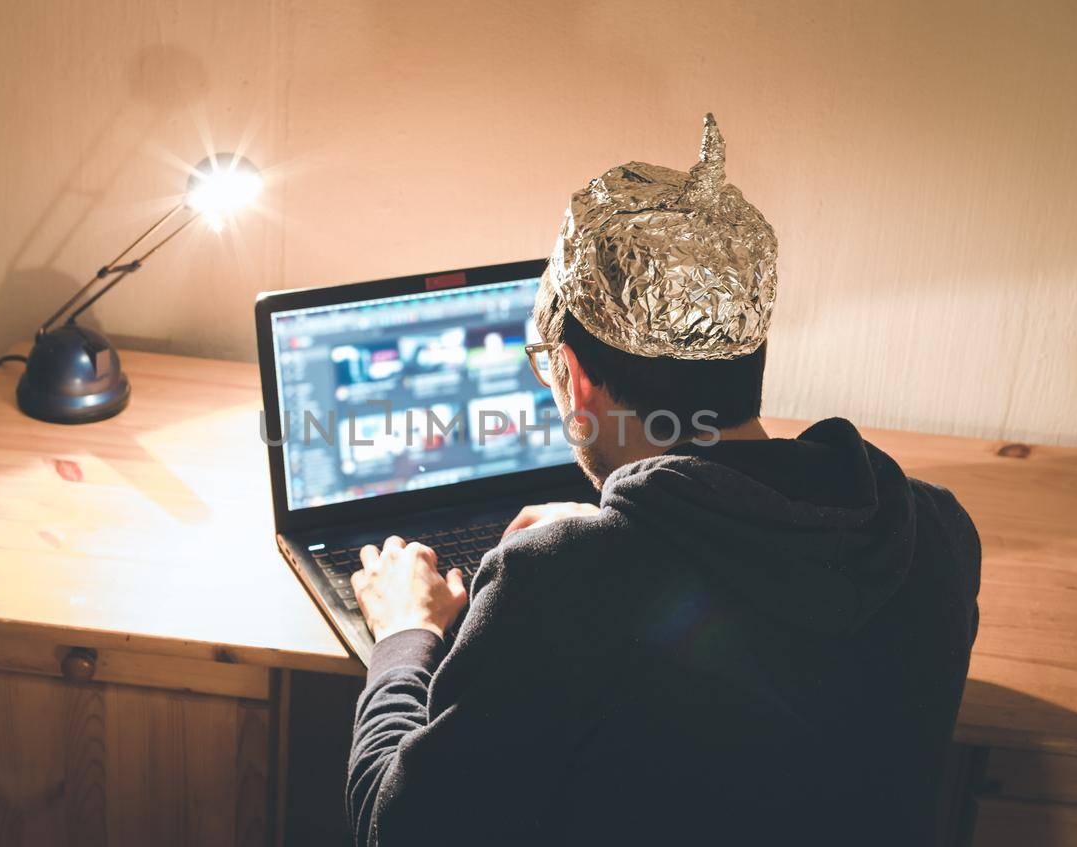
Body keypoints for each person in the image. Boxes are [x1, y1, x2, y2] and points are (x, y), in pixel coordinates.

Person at [346, 114, 981, 845]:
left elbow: (391, 833)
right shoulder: (936, 533)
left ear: (576, 380)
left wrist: (404, 633)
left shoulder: (559, 582)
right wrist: (623, 530)